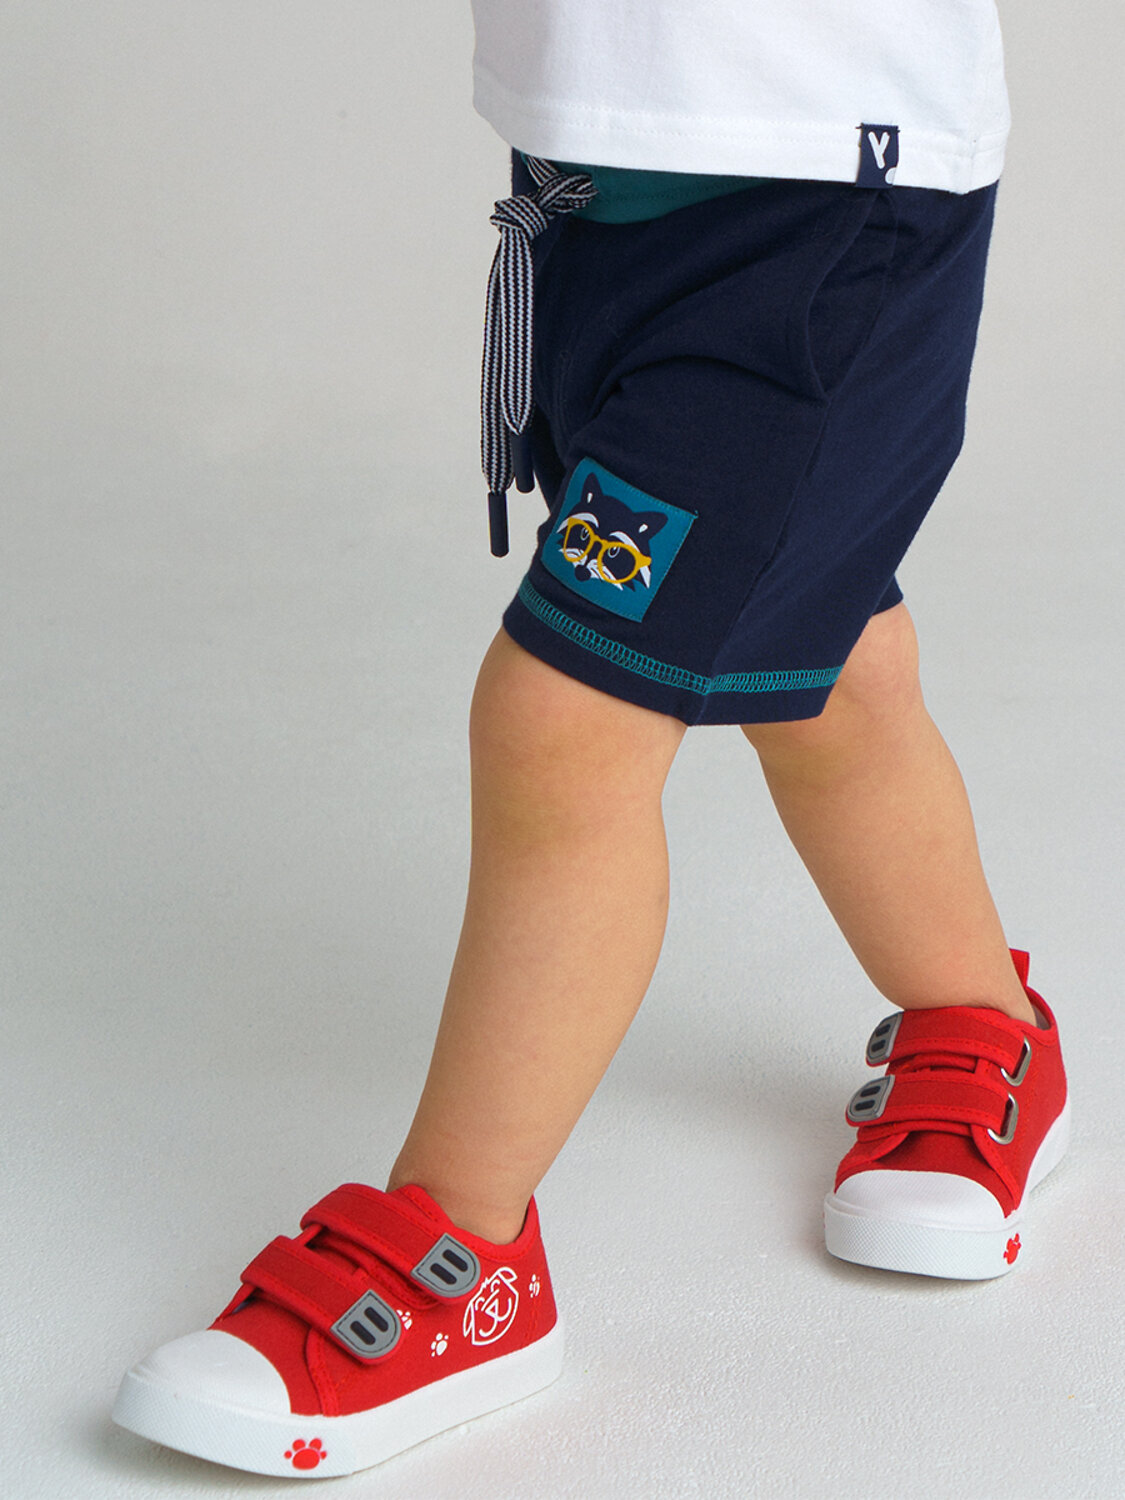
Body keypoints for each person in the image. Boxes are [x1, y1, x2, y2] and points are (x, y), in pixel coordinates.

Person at [112, 0, 1069, 1480]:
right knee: (821, 658)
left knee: (565, 717)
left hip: (828, 206)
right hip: (598, 197)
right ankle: (984, 1023)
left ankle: (463, 1256)